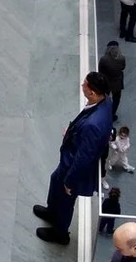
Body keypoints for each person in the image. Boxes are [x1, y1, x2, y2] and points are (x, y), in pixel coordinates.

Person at [33, 72, 113, 244]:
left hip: (73, 168)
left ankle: (60, 233)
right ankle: (52, 211)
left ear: (92, 92)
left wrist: (70, 181)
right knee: (55, 180)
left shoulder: (93, 125)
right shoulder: (104, 102)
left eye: (84, 84)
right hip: (69, 160)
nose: (81, 86)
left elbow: (84, 157)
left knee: (65, 199)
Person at [98, 41, 126, 120]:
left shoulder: (103, 59)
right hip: (117, 82)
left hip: (106, 82)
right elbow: (123, 67)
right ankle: (112, 114)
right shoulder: (122, 58)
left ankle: (103, 113)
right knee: (116, 99)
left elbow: (100, 70)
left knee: (104, 98)